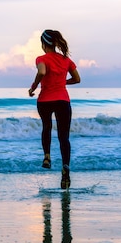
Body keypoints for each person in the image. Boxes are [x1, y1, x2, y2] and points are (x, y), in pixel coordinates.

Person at [29, 29, 81, 189]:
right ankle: (65, 167)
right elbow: (77, 79)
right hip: (63, 101)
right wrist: (61, 83)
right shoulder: (66, 60)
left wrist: (33, 87)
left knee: (46, 127)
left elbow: (42, 71)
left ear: (44, 44)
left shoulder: (41, 59)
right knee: (63, 136)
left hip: (45, 100)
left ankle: (47, 157)